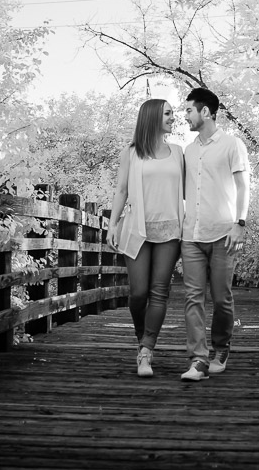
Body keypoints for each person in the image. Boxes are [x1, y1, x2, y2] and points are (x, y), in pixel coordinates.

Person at [107, 99, 184, 378]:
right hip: (138, 229)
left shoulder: (178, 152)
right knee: (138, 293)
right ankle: (143, 337)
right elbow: (121, 191)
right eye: (168, 113)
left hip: (170, 232)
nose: (173, 117)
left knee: (159, 291)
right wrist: (112, 225)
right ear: (152, 117)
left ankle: (146, 351)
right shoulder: (132, 153)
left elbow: (193, 188)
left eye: (174, 113)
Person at [179, 87, 250, 382]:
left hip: (224, 235)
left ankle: (221, 347)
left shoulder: (233, 145)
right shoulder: (188, 150)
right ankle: (198, 359)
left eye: (189, 111)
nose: (185, 116)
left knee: (221, 299)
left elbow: (244, 187)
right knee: (193, 299)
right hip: (191, 236)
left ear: (205, 112)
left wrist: (240, 223)